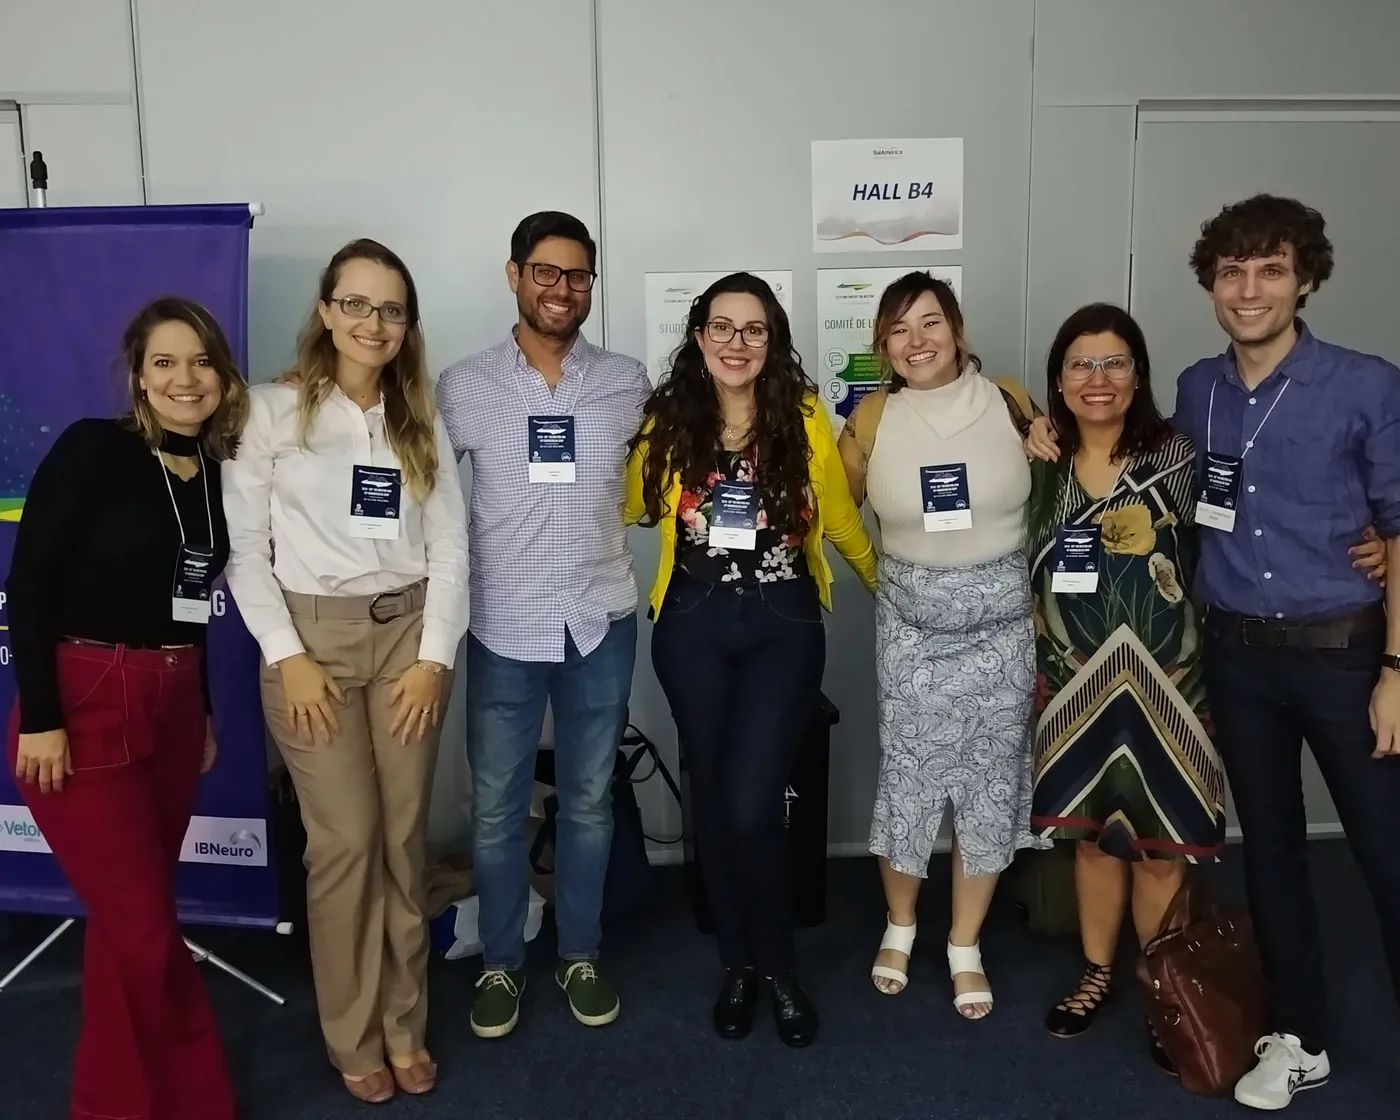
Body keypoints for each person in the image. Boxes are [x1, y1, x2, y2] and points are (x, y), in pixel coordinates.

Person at [1025, 194, 1400, 1111]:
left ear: (1305, 280)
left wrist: (1397, 667)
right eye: (1233, 272)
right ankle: (1300, 1038)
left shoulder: (1366, 385)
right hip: (1237, 659)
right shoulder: (1198, 393)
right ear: (1211, 286)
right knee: (1270, 855)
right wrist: (1037, 426)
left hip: (1347, 655)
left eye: (1271, 270)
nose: (1250, 289)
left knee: (1388, 854)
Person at [223, 239, 469, 1104]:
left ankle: (405, 1024)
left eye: (391, 309)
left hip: (408, 640)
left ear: (407, 325)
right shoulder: (269, 411)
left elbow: (450, 544)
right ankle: (352, 1033)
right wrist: (286, 657)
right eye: (356, 304)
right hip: (311, 644)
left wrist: (435, 658)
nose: (374, 323)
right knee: (345, 843)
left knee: (401, 841)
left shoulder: (417, 414)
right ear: (326, 311)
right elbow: (244, 551)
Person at [6, 297, 247, 1120]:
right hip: (84, 703)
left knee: (124, 931)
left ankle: (112, 1104)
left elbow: (190, 604)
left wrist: (203, 708)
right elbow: (29, 583)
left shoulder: (214, 474)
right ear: (138, 377)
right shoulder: (94, 449)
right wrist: (42, 716)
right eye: (165, 363)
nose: (186, 379)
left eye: (202, 362)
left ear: (222, 376)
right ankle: (196, 1101)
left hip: (174, 705)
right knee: (145, 933)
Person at [625, 272, 876, 1047]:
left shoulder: (803, 414)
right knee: (713, 800)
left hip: (782, 623)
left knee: (754, 804)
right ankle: (737, 963)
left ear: (774, 340)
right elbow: (634, 505)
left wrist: (890, 586)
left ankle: (779, 968)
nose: (738, 343)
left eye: (755, 329)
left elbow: (839, 517)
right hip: (693, 624)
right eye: (723, 327)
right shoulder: (670, 416)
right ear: (700, 336)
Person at [435, 211, 650, 1040]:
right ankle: (501, 962)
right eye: (546, 272)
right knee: (496, 811)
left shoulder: (627, 382)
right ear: (515, 275)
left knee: (590, 803)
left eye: (578, 275)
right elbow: (410, 474)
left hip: (600, 619)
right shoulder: (464, 386)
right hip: (503, 626)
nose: (562, 289)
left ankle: (580, 954)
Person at [836, 271, 1044, 1020]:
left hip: (1004, 633)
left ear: (956, 328)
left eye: (929, 322)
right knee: (911, 778)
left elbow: (1067, 489)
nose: (916, 341)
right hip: (912, 632)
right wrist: (879, 577)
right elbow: (833, 508)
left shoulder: (1011, 400)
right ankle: (900, 925)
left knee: (990, 784)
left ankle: (964, 942)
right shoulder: (872, 417)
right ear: (883, 346)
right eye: (898, 329)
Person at [1024, 302, 1225, 1072]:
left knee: (1160, 848)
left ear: (1138, 375)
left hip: (1170, 685)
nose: (1097, 378)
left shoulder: (1178, 457)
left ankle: (1162, 985)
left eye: (1114, 362)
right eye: (1081, 364)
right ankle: (1097, 972)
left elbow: (1245, 533)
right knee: (1095, 841)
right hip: (1073, 685)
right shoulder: (1042, 462)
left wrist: (1364, 541)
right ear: (1059, 380)